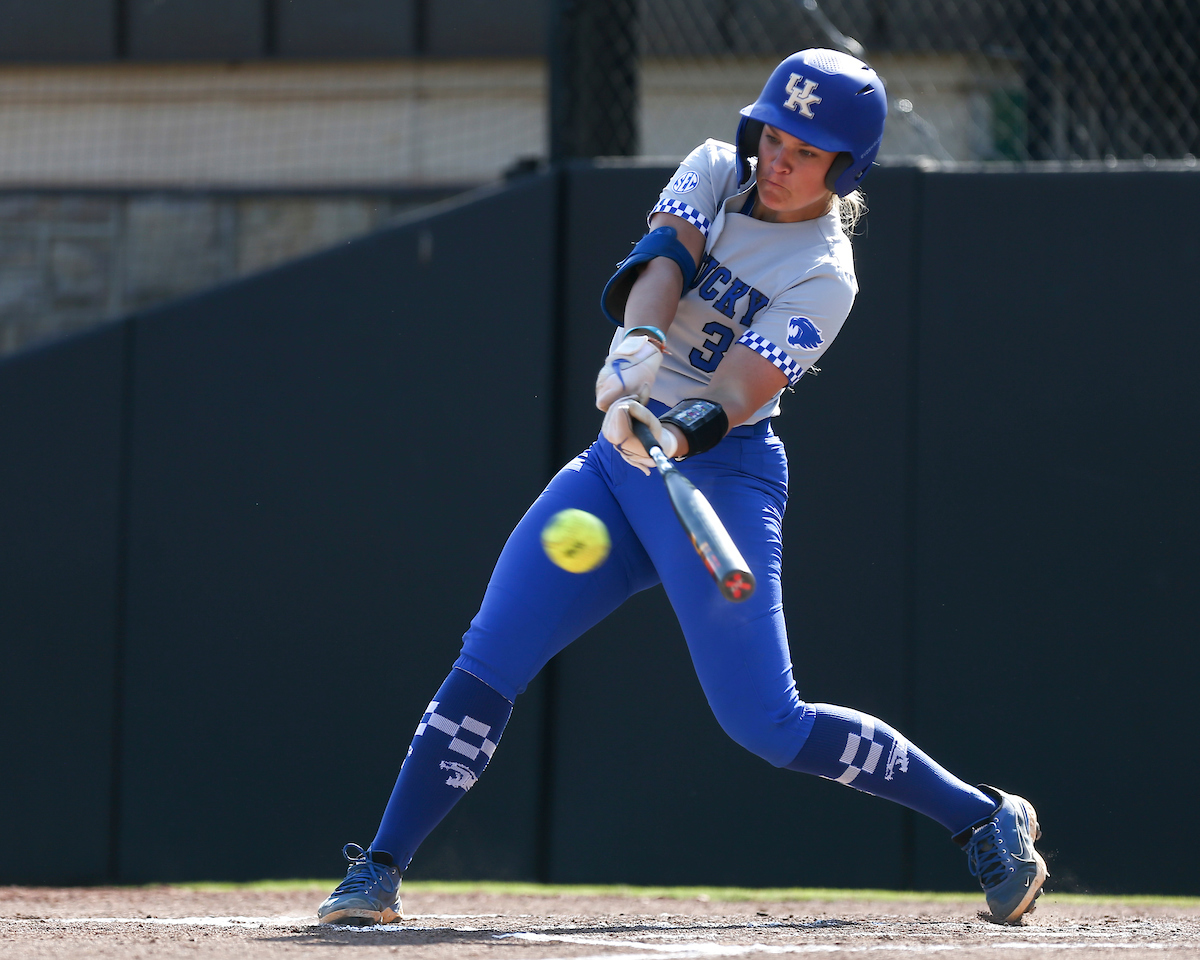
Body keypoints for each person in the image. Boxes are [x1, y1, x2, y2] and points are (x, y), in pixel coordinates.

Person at [317, 48, 1047, 927]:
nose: (778, 159)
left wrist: (667, 423)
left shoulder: (827, 273)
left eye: (805, 151)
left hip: (721, 476)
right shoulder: (714, 167)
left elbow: (741, 392)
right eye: (775, 135)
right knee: (490, 654)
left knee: (767, 725)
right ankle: (381, 868)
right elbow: (667, 260)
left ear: (843, 168)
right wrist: (635, 354)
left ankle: (983, 820)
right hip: (613, 472)